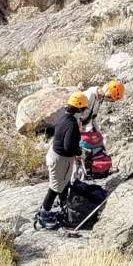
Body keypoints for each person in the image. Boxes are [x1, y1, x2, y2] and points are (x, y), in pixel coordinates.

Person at [38, 92, 91, 222]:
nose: (84, 111)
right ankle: (44, 213)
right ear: (79, 109)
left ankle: (63, 204)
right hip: (61, 159)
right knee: (55, 187)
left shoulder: (63, 117)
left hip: (55, 154)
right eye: (84, 109)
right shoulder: (72, 125)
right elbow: (68, 147)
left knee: (64, 181)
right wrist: (80, 152)